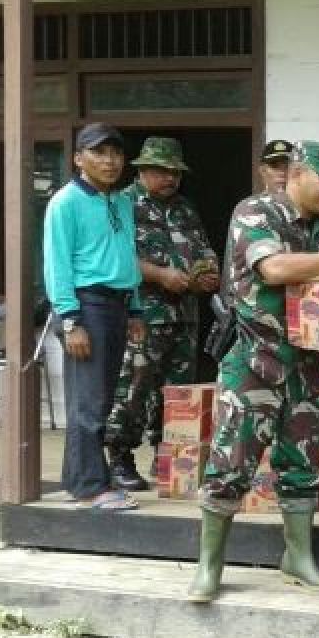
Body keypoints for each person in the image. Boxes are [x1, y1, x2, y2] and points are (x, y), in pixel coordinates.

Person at [188, 141, 319, 603]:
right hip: (255, 361)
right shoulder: (257, 212)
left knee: (302, 464)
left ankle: (298, 558)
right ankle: (209, 567)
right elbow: (273, 269)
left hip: (308, 363)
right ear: (296, 173)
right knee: (231, 463)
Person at [105, 137, 219, 491]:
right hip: (142, 315)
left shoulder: (184, 208)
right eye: (161, 171)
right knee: (135, 387)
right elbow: (113, 257)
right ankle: (120, 458)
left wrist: (208, 274)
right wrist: (159, 275)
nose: (170, 178)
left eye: (175, 172)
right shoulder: (121, 204)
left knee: (178, 392)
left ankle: (167, 456)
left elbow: (203, 250)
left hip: (184, 315)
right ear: (142, 170)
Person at [43, 122, 146, 511]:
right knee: (88, 400)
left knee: (102, 398)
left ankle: (80, 480)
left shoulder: (120, 201)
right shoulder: (65, 202)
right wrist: (71, 320)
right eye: (99, 152)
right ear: (78, 158)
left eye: (116, 153)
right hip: (87, 306)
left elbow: (126, 257)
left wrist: (134, 307)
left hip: (117, 304)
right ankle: (91, 487)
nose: (110, 160)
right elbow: (57, 265)